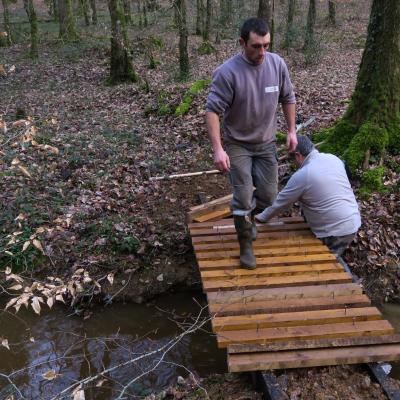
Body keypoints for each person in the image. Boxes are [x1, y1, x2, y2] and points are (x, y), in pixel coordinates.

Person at [205, 17, 296, 270]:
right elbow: (212, 110)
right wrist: (218, 149)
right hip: (238, 145)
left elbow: (288, 97)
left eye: (266, 45)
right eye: (256, 46)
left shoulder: (277, 65)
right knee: (243, 197)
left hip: (266, 143)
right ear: (242, 43)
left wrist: (291, 131)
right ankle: (246, 246)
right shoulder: (228, 72)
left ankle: (251, 222)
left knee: (269, 197)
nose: (262, 52)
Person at [255, 135, 361, 256]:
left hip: (335, 232)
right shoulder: (333, 158)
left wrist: (261, 217)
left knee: (324, 262)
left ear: (298, 155)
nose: (293, 163)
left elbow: (281, 203)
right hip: (353, 220)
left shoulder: (303, 174)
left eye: (291, 158)